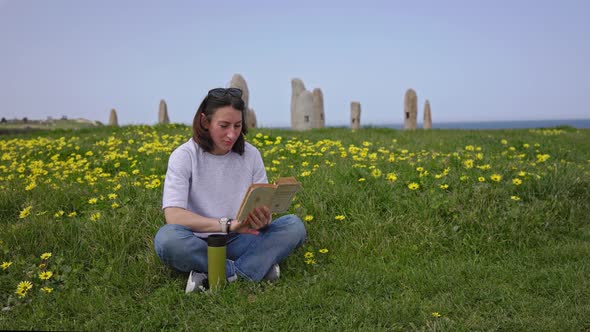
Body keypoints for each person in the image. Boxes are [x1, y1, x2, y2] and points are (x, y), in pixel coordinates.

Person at [154, 87, 307, 292]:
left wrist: (263, 218)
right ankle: (253, 270)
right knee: (167, 240)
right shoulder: (184, 156)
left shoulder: (251, 155)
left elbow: (262, 208)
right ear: (205, 122)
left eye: (237, 125)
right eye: (224, 126)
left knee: (293, 225)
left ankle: (219, 274)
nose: (232, 134)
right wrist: (227, 225)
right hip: (199, 242)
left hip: (244, 238)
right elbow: (173, 216)